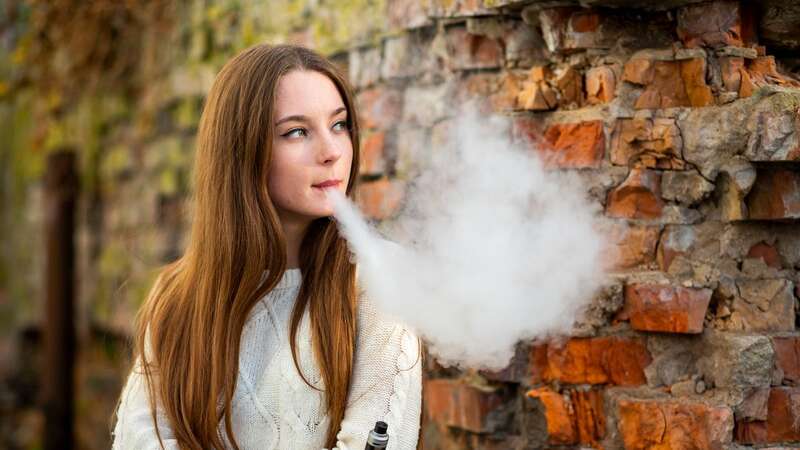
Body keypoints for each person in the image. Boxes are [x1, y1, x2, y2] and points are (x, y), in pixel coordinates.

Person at [111, 43, 422, 450]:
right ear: (242, 152)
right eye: (297, 132)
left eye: (340, 125)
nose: (331, 152)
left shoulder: (382, 279)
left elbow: (382, 440)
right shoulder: (178, 298)